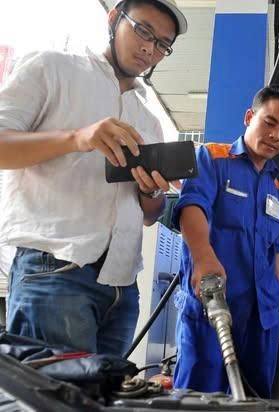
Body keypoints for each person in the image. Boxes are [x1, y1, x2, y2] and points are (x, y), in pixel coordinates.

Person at [0, 0, 187, 356]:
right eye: (143, 31)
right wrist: (78, 138)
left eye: (163, 44)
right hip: (55, 272)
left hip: (122, 287)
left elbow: (149, 215)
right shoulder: (52, 69)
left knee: (108, 389)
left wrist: (150, 192)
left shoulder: (149, 119)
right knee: (55, 390)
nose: (149, 49)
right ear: (114, 18)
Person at [172, 85, 279, 398]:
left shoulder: (274, 187)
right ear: (249, 117)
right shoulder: (212, 158)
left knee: (256, 400)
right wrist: (203, 258)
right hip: (214, 309)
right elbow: (192, 206)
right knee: (198, 399)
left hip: (262, 320)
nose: (276, 136)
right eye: (269, 123)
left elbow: (274, 250)